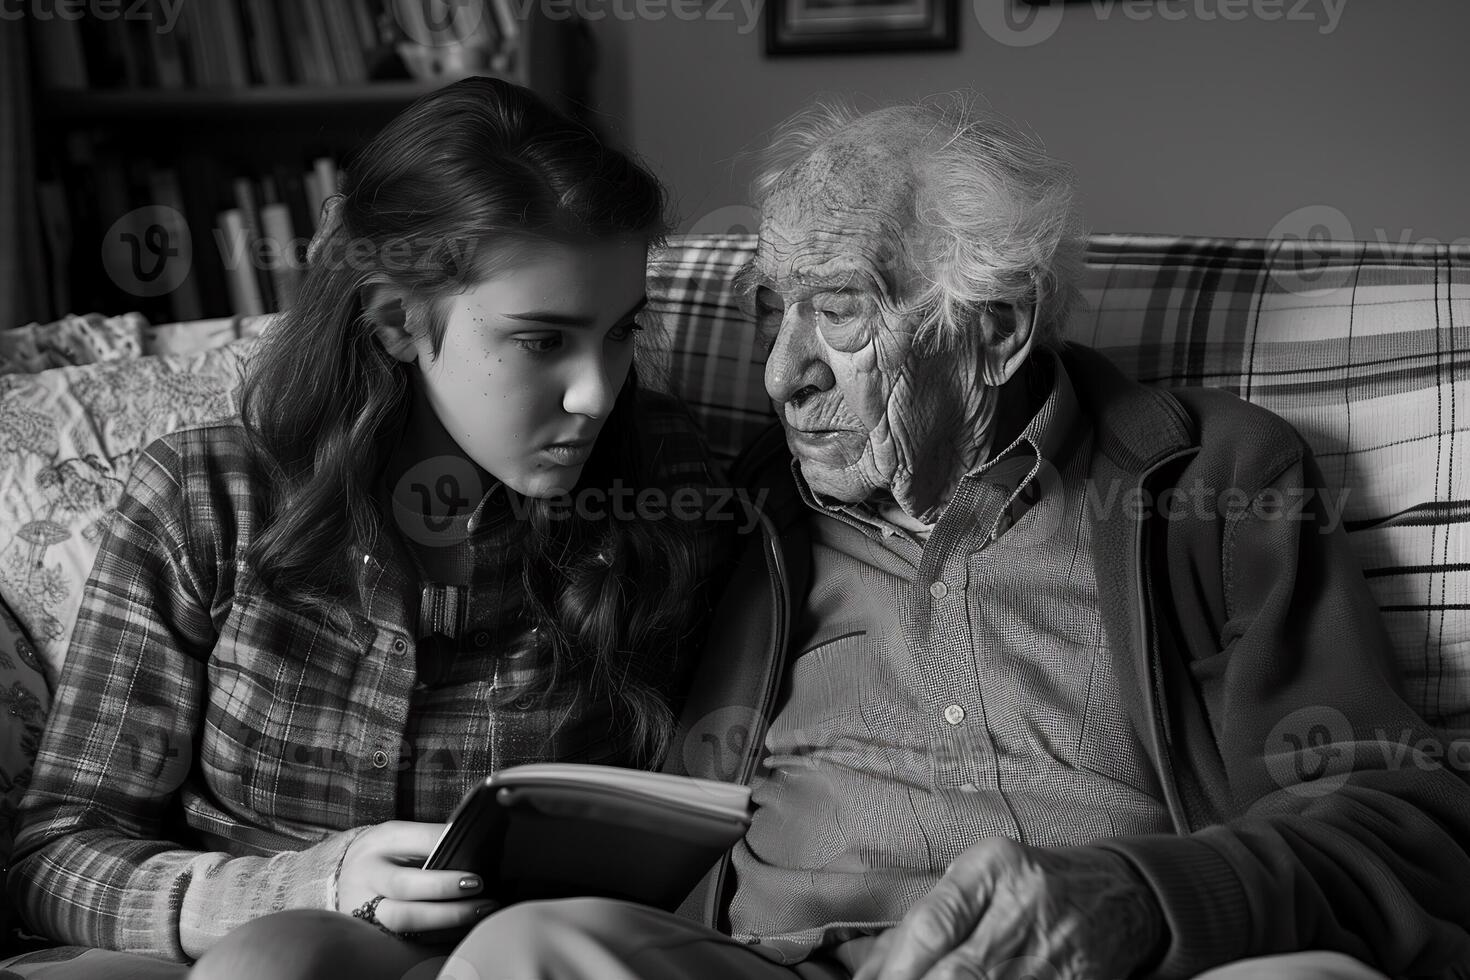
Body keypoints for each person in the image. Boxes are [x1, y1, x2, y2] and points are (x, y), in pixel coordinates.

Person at [206, 95, 1470, 980]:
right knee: (528, 957)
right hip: (763, 964)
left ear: (998, 330)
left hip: (1112, 962)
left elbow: (1400, 817)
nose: (779, 372)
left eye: (840, 313)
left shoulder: (1214, 480)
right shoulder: (733, 498)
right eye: (770, 312)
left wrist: (1138, 903)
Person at [3, 76, 736, 978]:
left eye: (620, 333)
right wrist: (308, 887)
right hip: (238, 944)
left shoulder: (661, 485)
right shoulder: (205, 498)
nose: (596, 393)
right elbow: (56, 855)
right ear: (396, 319)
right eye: (543, 340)